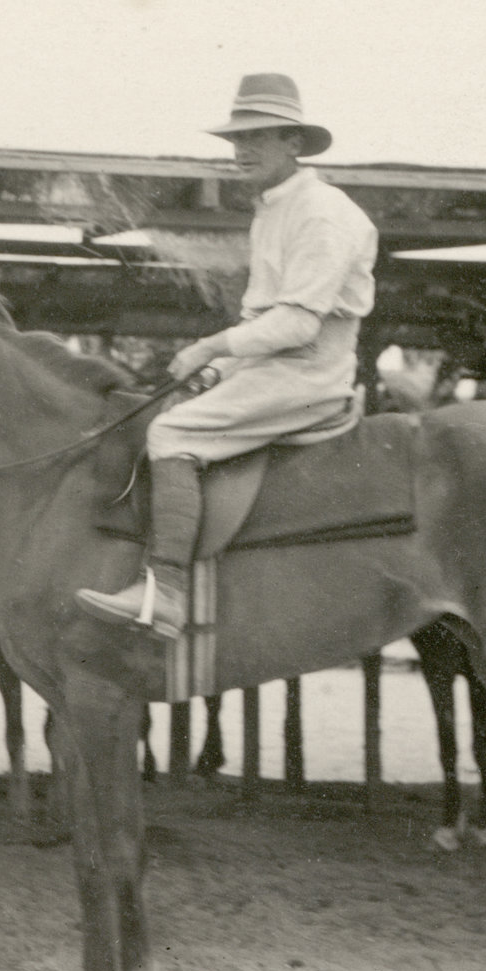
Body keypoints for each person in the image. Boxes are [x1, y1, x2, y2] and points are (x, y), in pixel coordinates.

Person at [76, 72, 379, 640]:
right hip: (274, 365)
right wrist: (219, 367)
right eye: (237, 139)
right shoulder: (275, 208)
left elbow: (297, 322)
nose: (242, 150)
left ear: (294, 142)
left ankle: (164, 593)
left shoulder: (322, 213)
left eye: (258, 137)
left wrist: (210, 346)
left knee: (172, 436)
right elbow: (261, 318)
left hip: (309, 374)